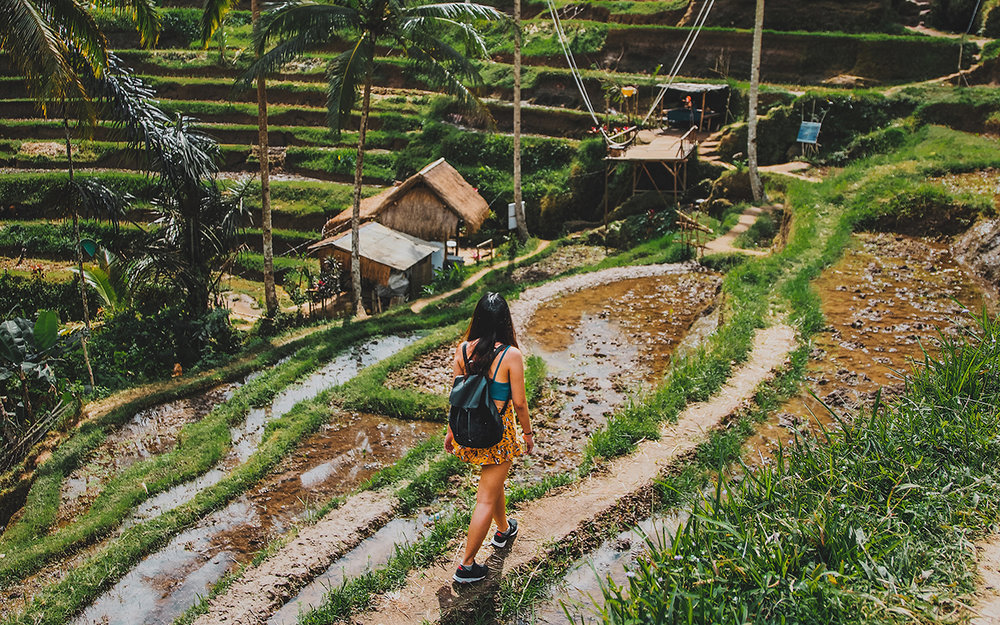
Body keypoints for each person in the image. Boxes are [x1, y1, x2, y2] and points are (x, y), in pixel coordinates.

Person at [445, 292, 534, 584]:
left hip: (469, 429)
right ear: (505, 321)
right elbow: (519, 403)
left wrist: (450, 431)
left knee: (493, 483)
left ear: (478, 318)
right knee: (484, 498)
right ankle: (466, 566)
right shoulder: (511, 355)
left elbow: (457, 396)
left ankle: (503, 529)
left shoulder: (462, 349)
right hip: (498, 433)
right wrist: (529, 434)